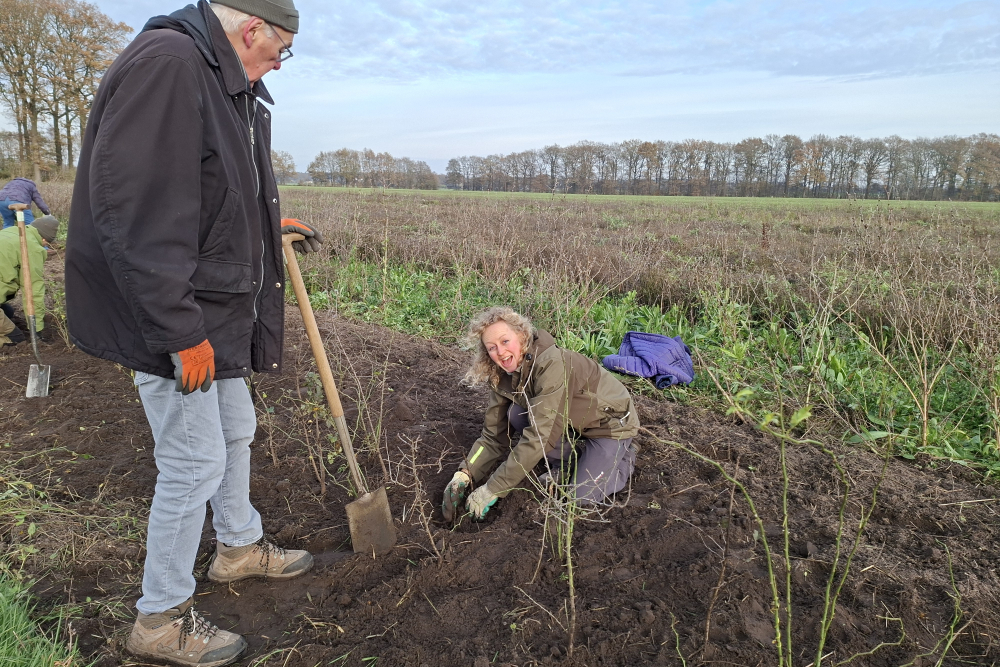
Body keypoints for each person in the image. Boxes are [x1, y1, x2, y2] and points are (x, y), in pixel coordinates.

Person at [65, 1, 323, 665]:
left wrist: (269, 228)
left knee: (236, 426)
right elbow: (137, 211)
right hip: (171, 312)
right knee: (193, 458)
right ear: (251, 29)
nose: (278, 65)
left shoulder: (219, 77)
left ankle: (237, 546)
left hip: (206, 304)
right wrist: (179, 331)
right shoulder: (172, 64)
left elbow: (209, 187)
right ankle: (158, 618)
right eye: (281, 50)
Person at [442, 307, 641, 522]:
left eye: (505, 341)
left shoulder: (551, 364)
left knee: (578, 497)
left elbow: (539, 436)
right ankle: (566, 465)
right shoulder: (502, 374)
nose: (499, 351)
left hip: (609, 424)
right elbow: (492, 436)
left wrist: (493, 488)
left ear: (522, 336)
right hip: (569, 420)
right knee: (517, 413)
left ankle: (625, 455)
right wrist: (465, 475)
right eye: (492, 347)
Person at [0, 215, 58, 346]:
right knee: (15, 339)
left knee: (8, 312)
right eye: (47, 244)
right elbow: (32, 291)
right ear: (44, 239)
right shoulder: (32, 248)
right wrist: (36, 331)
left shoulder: (11, 231)